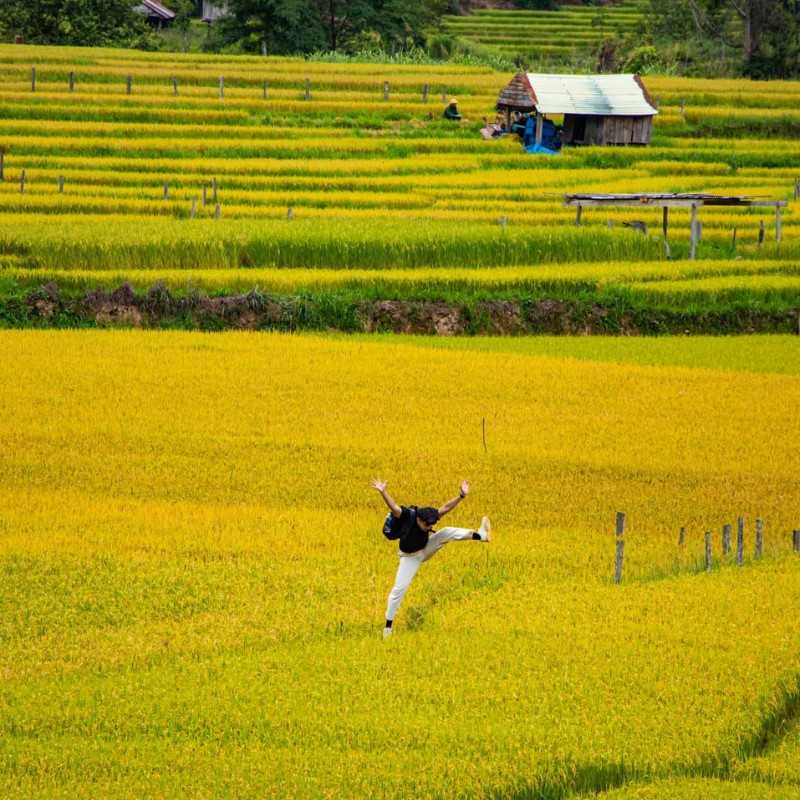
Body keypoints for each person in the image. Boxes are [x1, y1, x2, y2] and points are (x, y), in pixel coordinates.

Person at [372, 478, 491, 638]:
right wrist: (383, 491)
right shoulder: (407, 516)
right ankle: (388, 628)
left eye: (431, 525)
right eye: (426, 525)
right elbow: (393, 507)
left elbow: (446, 507)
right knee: (399, 589)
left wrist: (461, 495)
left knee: (447, 532)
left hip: (426, 548)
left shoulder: (429, 517)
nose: (429, 527)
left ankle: (481, 535)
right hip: (410, 557)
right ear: (419, 520)